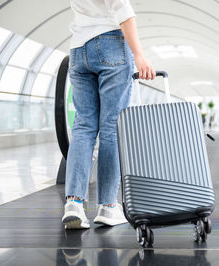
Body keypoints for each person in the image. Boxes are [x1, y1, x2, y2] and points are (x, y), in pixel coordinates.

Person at [62, 0, 155, 229]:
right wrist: (139, 55)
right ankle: (108, 206)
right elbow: (122, 10)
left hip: (78, 49)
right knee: (111, 127)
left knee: (83, 127)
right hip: (110, 43)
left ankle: (73, 203)